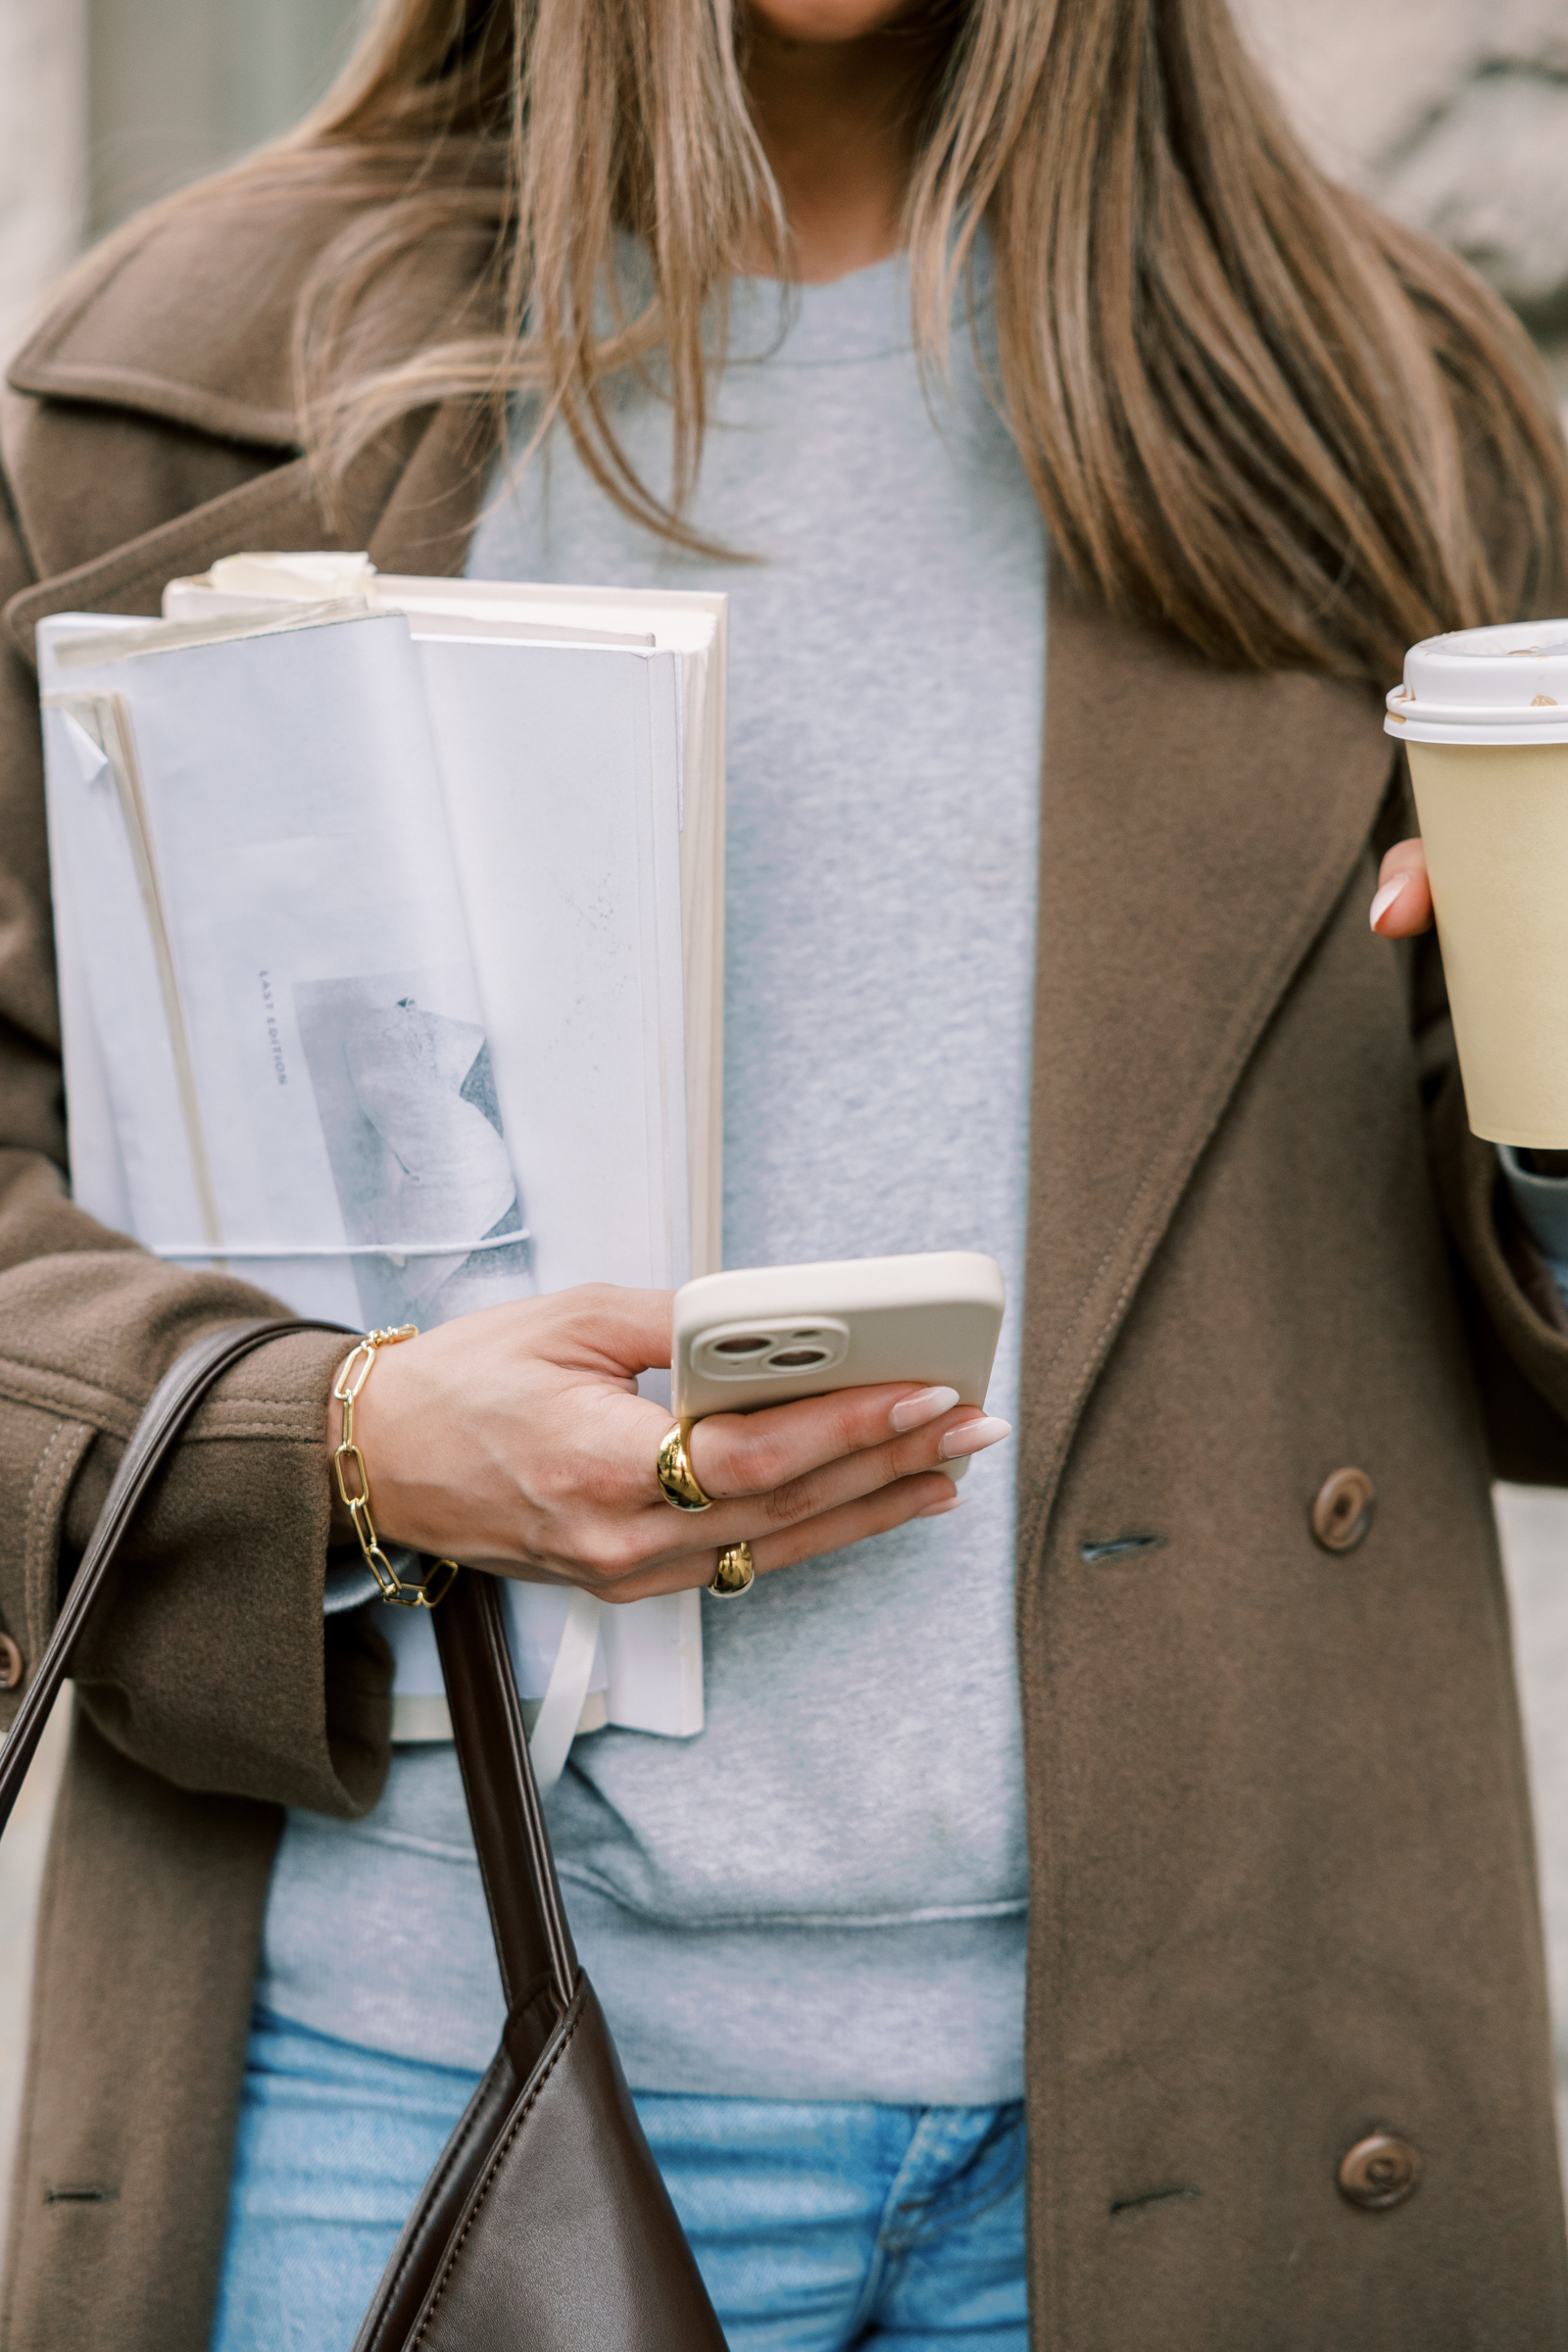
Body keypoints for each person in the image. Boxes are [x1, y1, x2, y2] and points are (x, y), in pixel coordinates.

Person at [2, 0, 1567, 2346]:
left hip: (1215, 2094)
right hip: (388, 2065)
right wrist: (329, 1438)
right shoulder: (183, 371)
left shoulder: (1378, 395)